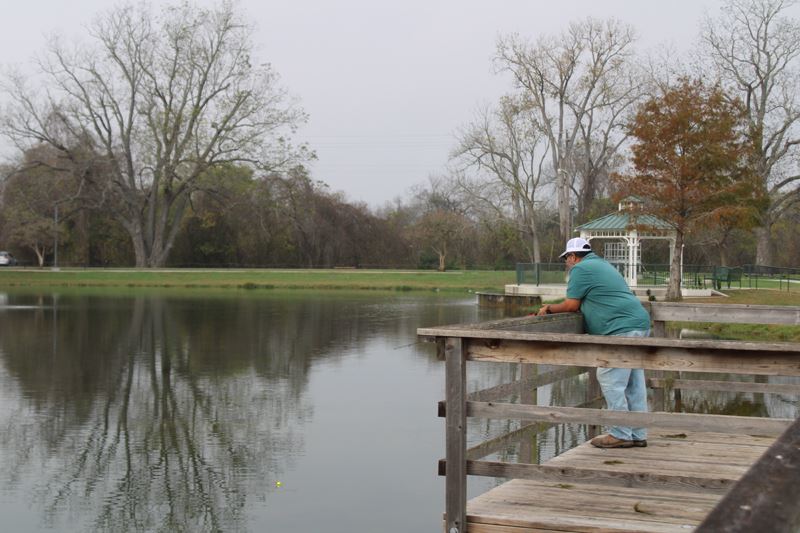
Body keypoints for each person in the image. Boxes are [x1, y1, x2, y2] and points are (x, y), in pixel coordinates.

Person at [537, 237, 651, 449]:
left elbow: (571, 305)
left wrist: (549, 309)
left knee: (609, 376)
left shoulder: (580, 270)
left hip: (620, 328)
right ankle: (637, 433)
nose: (566, 263)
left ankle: (620, 433)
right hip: (638, 322)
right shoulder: (602, 264)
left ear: (573, 256)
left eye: (566, 258)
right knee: (633, 382)